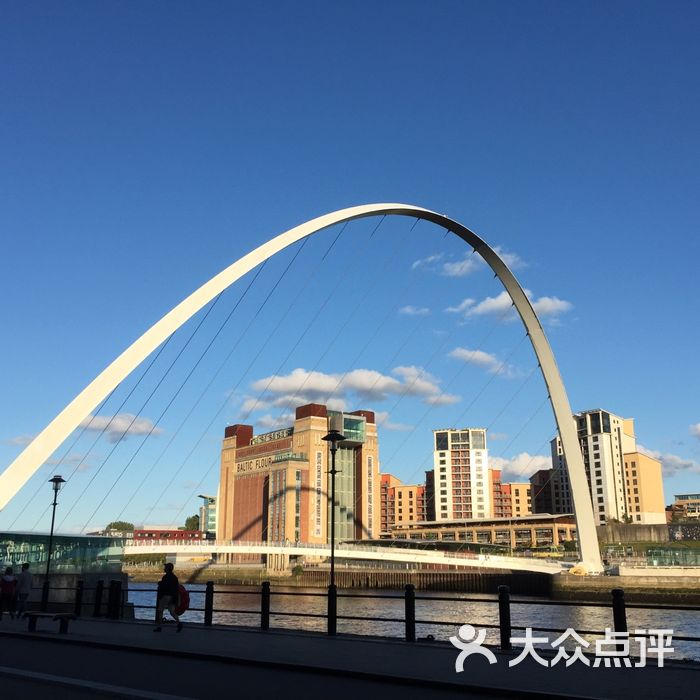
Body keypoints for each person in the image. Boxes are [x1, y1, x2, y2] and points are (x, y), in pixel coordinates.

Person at [153, 563, 182, 632]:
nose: (164, 568)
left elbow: (164, 586)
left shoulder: (165, 577)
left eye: (165, 567)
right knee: (172, 611)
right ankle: (179, 623)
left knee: (160, 610)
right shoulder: (175, 577)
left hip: (165, 596)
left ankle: (159, 627)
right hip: (172, 597)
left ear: (167, 569)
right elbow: (177, 588)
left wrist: (160, 583)